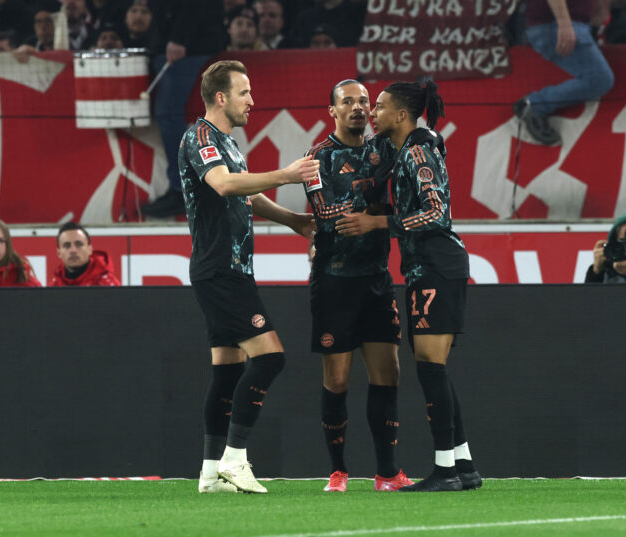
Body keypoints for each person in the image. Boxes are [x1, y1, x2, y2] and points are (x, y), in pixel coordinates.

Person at [336, 80, 482, 492]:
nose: (372, 113)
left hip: (437, 264)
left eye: (379, 107)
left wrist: (376, 222)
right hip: (426, 268)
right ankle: (463, 465)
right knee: (434, 369)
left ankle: (445, 470)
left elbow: (436, 213)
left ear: (400, 115)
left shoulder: (418, 150)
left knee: (430, 369)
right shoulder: (410, 148)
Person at [181, 60, 319, 494]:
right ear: (220, 97)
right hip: (221, 270)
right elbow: (223, 184)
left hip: (228, 268)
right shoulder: (200, 136)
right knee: (270, 357)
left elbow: (245, 192)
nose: (252, 100)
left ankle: (209, 474)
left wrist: (292, 219)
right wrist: (288, 175)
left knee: (226, 372)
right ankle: (235, 459)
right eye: (245, 92)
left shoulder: (227, 141)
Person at [305, 80, 413, 493]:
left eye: (363, 101)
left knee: (389, 374)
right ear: (332, 110)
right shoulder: (318, 158)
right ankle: (338, 471)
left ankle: (388, 473)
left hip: (376, 280)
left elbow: (404, 202)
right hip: (334, 280)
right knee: (338, 380)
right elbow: (329, 215)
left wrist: (380, 213)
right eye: (347, 101)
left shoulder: (386, 150)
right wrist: (375, 210)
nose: (357, 107)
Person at [140, 0, 225, 219]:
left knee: (168, 113)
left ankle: (184, 188)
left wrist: (179, 37)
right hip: (169, 44)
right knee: (167, 113)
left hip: (189, 47)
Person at [514, 0, 614, 146]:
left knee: (598, 77)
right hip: (556, 25)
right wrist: (564, 23)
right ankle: (534, 104)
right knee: (599, 78)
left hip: (568, 24)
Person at [50, 222, 121, 286]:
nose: (73, 250)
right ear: (58, 253)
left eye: (78, 245)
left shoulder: (107, 285)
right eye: (67, 246)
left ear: (90, 249)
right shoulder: (54, 286)